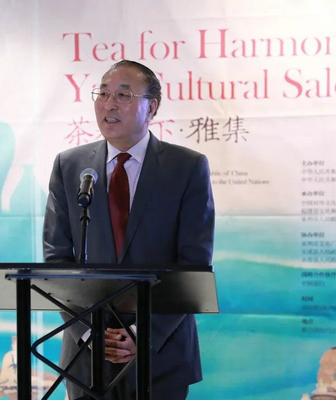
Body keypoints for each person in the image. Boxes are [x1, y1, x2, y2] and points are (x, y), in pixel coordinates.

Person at [43, 60, 215, 400]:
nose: (109, 104)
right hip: (86, 353)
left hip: (160, 352)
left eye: (123, 95)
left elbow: (192, 265)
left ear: (151, 107)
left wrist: (142, 333)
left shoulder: (186, 167)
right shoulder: (70, 166)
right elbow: (57, 259)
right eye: (103, 94)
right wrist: (88, 332)